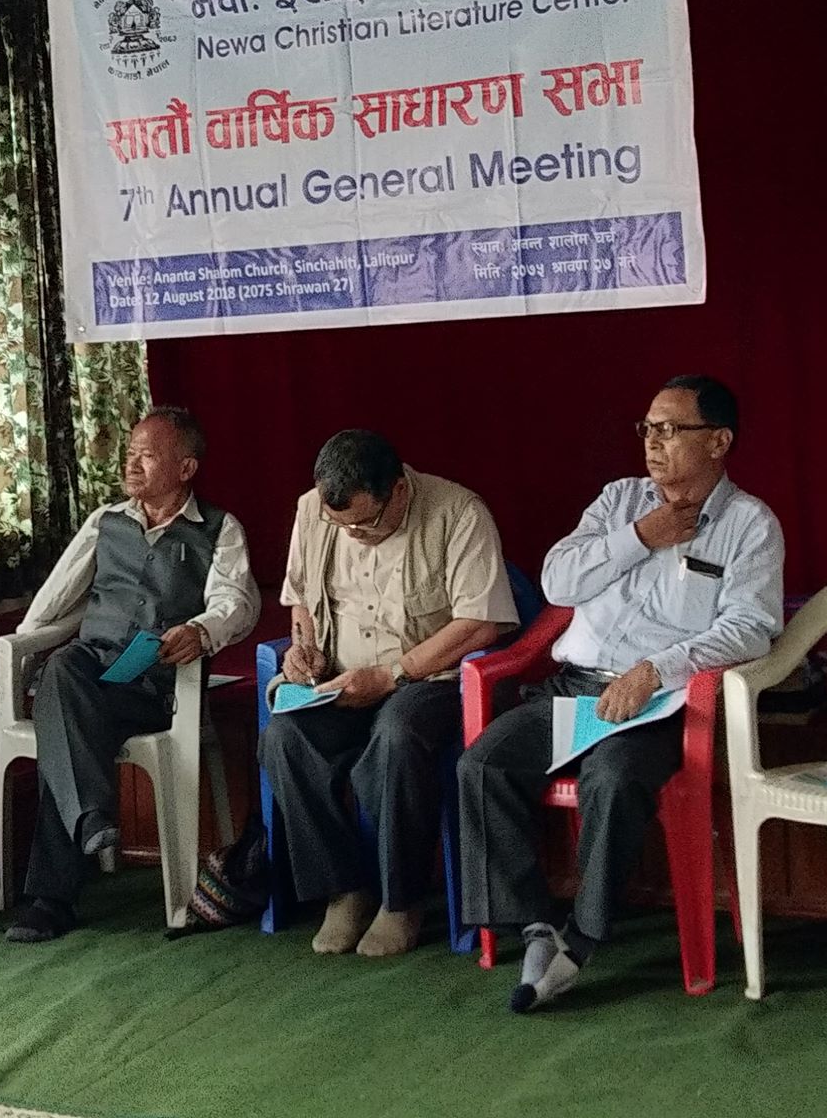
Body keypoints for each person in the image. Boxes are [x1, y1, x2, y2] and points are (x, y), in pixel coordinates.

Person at [459, 374, 784, 1011]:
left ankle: (582, 939)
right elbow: (558, 582)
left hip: (660, 703)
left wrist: (655, 670)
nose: (653, 443)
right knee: (483, 765)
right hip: (574, 688)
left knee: (612, 779)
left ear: (718, 441)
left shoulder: (749, 524)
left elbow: (751, 627)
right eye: (648, 429)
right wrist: (641, 536)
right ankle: (535, 926)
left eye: (671, 430)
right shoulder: (619, 500)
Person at [260, 430, 518, 957]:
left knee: (398, 734)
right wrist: (303, 650)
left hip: (428, 678)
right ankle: (344, 889)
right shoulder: (312, 510)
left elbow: (479, 624)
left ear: (398, 490)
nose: (353, 535)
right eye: (341, 525)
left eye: (366, 523)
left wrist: (391, 675)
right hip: (339, 677)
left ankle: (401, 900)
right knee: (284, 737)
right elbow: (301, 600)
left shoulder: (458, 513)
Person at [5, 407, 256, 943]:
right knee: (62, 668)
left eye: (147, 455)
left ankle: (51, 897)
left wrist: (201, 630)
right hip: (91, 674)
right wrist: (19, 654)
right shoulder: (106, 521)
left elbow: (237, 603)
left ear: (185, 467)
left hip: (154, 689)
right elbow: (51, 601)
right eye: (130, 453)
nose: (132, 465)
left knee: (62, 720)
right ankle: (91, 820)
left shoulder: (218, 529)